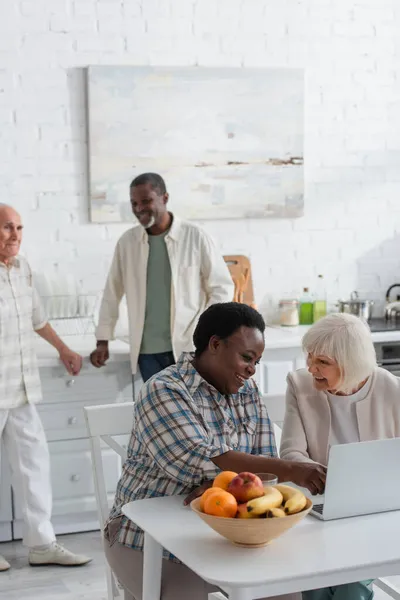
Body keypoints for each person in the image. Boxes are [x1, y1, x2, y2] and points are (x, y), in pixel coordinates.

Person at [103, 302, 326, 600]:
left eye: (257, 362)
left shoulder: (247, 391)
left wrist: (222, 484)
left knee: (285, 594)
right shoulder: (164, 389)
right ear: (215, 344)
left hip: (227, 534)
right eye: (246, 357)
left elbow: (263, 479)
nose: (251, 369)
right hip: (146, 537)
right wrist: (291, 469)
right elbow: (196, 460)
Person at [280, 312, 400, 600]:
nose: (311, 368)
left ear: (351, 364)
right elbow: (291, 452)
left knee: (351, 581)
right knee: (316, 577)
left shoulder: (390, 388)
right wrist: (330, 478)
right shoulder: (300, 385)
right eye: (310, 357)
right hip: (318, 501)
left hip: (374, 508)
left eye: (322, 362)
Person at [0, 204, 91, 571]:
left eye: (19, 227)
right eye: (7, 227)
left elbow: (38, 319)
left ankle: (42, 543)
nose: (15, 235)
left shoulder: (22, 270)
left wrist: (64, 348)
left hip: (20, 386)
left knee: (34, 464)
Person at [90, 172, 234, 384]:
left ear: (164, 198)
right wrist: (102, 340)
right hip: (147, 353)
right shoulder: (127, 243)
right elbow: (112, 292)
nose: (139, 209)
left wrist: (206, 330)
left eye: (146, 201)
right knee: (163, 415)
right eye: (134, 203)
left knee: (196, 412)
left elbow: (222, 287)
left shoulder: (195, 236)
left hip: (190, 349)